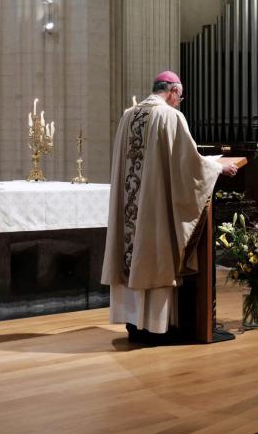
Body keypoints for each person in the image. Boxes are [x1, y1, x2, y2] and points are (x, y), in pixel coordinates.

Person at [101, 71, 238, 342]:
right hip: (155, 211)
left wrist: (206, 163)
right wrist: (217, 168)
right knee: (154, 256)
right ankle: (155, 326)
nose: (179, 102)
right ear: (173, 91)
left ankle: (134, 323)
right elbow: (188, 163)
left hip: (134, 209)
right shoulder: (170, 116)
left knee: (134, 257)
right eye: (180, 96)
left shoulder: (129, 115)